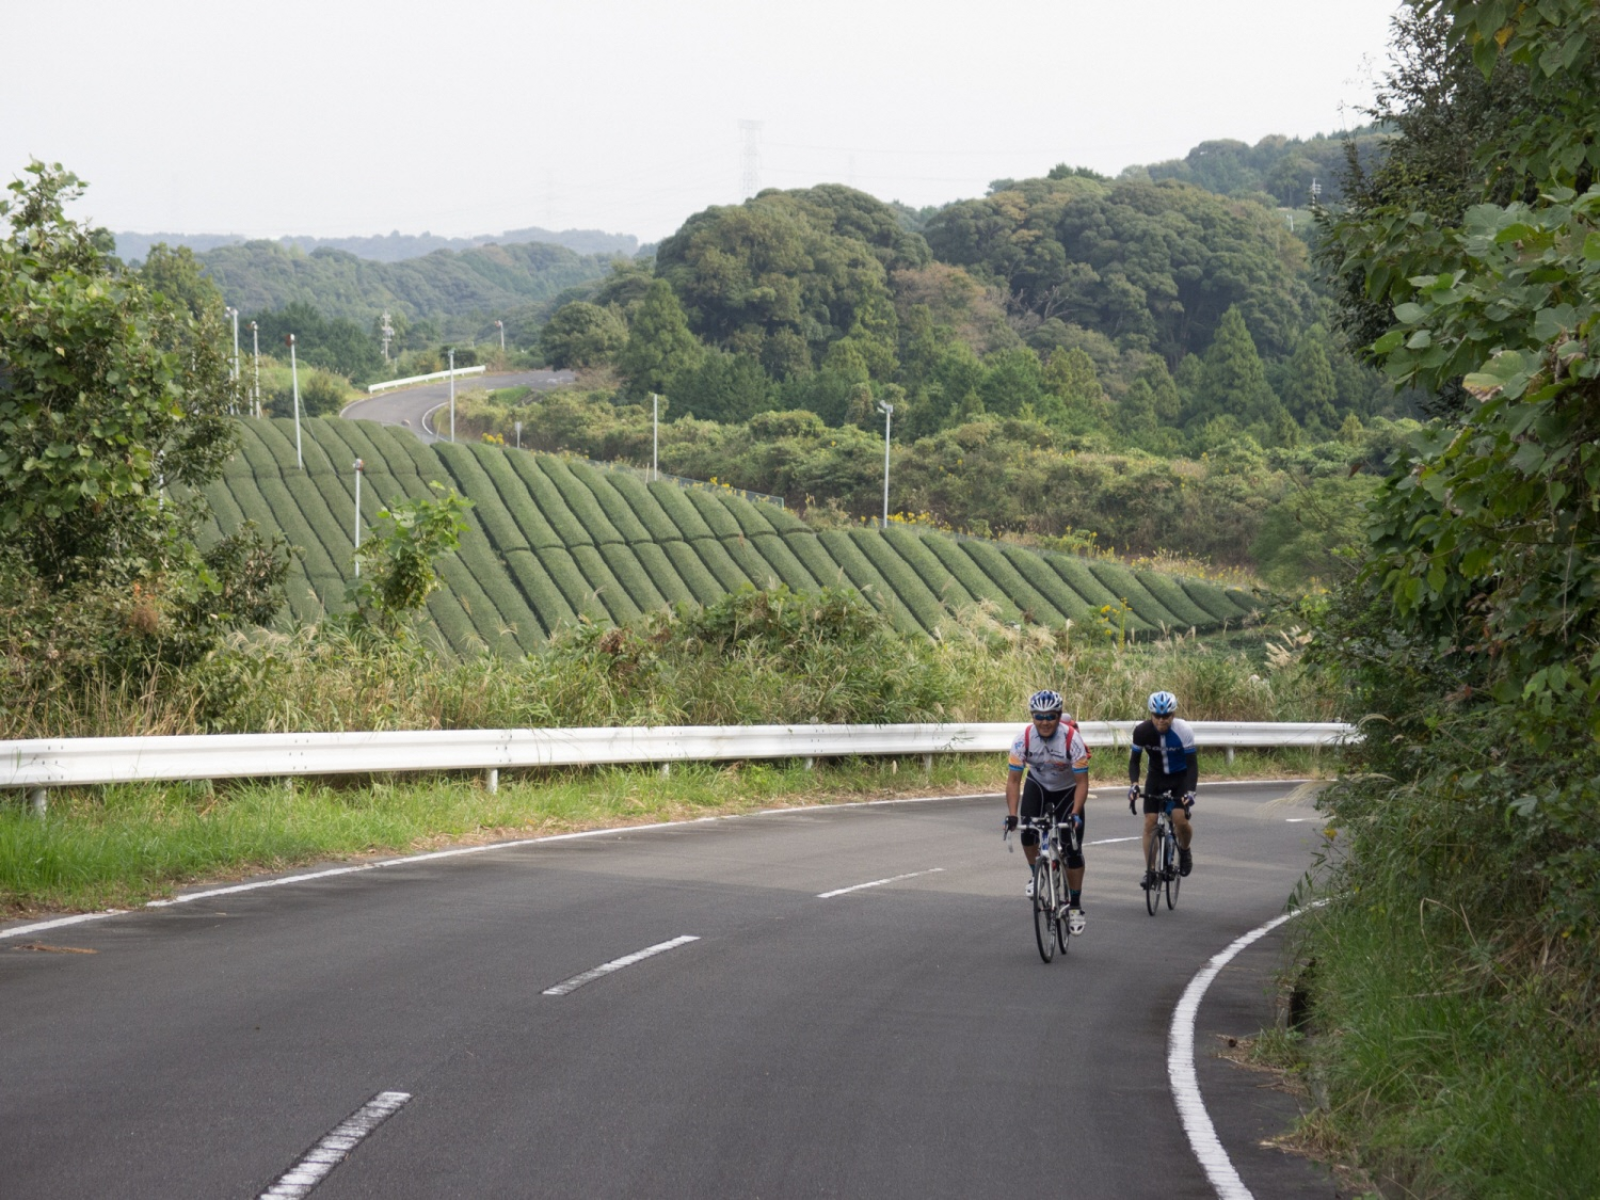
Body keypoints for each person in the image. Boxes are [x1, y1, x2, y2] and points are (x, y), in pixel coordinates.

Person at [1003, 689, 1091, 933]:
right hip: (1039, 785)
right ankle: (1037, 874)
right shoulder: (1024, 739)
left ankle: (1074, 906)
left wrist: (1075, 813)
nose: (1044, 722)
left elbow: (1082, 783)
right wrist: (1012, 814)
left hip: (1067, 790)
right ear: (1032, 717)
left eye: (1050, 716)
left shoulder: (1072, 739)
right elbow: (1013, 781)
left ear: (1058, 716)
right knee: (1027, 833)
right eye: (1038, 716)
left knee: (1072, 848)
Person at [1127, 689, 1198, 888]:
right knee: (1150, 822)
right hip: (1156, 778)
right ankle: (1150, 872)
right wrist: (1134, 785)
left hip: (1180, 778)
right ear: (1151, 715)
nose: (1161, 720)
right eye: (1157, 716)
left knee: (1179, 820)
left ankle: (1184, 850)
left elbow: (1192, 765)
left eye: (1166, 716)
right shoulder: (1142, 731)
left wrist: (1190, 793)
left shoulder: (1183, 730)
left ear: (1173, 715)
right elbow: (1135, 762)